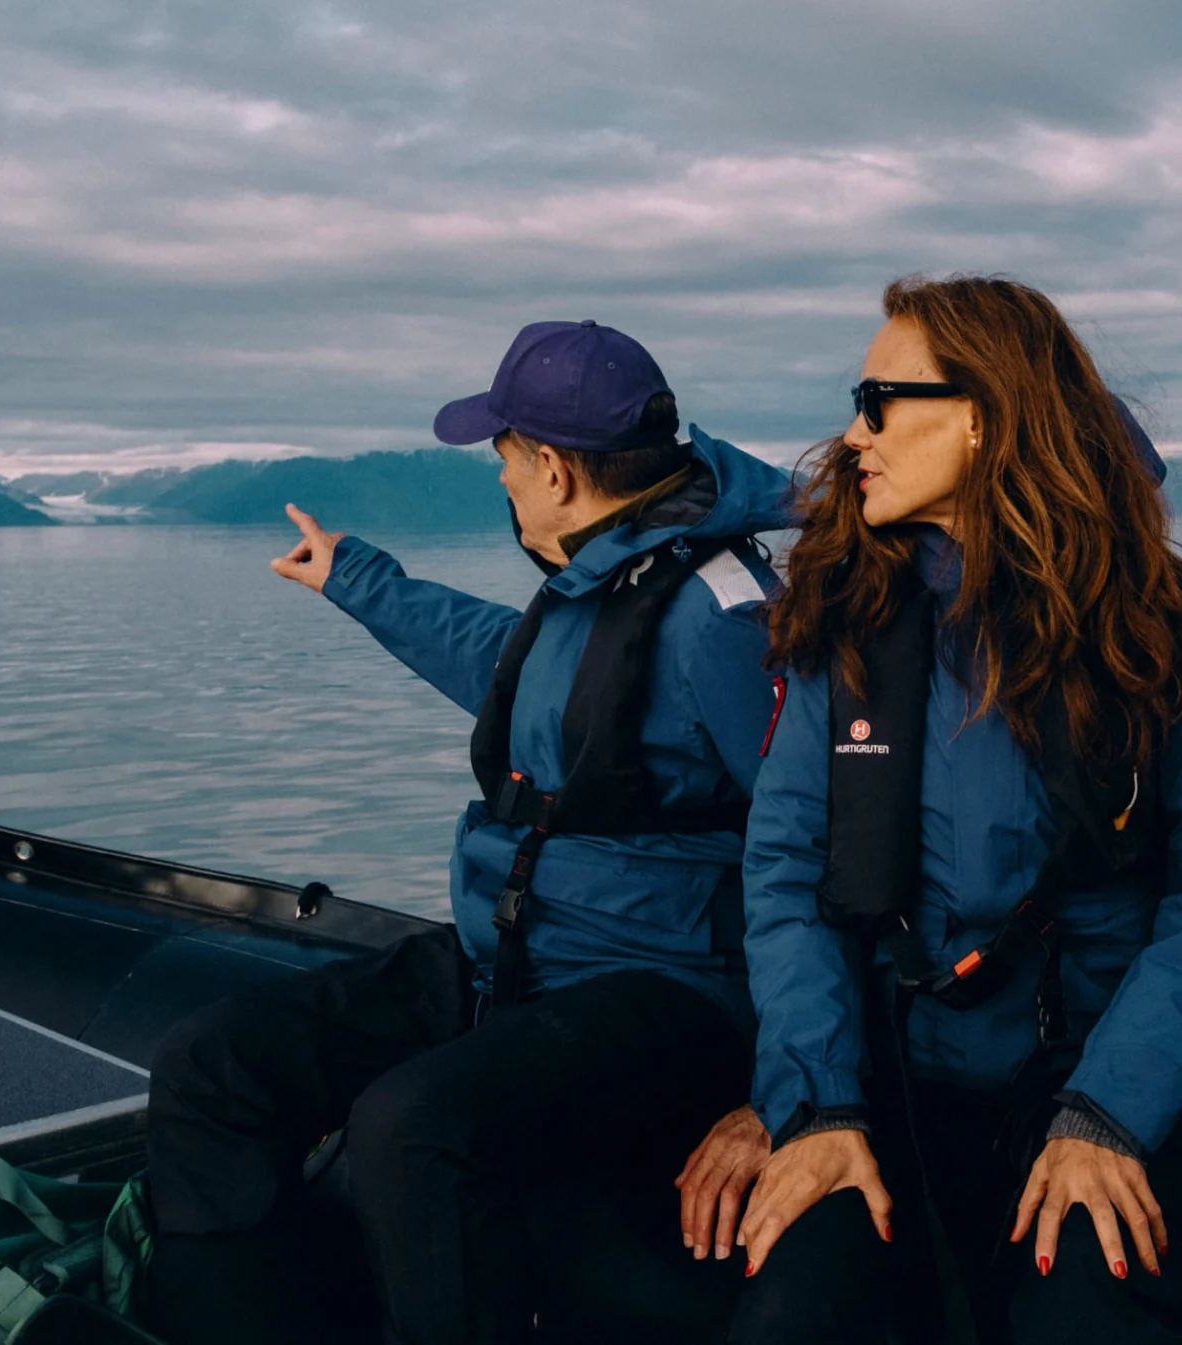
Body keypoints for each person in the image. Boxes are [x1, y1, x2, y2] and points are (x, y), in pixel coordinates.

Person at [139, 319, 795, 1345]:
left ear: (552, 466)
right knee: (216, 1063)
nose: (500, 481)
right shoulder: (599, 574)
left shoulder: (726, 617)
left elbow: (839, 852)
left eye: (502, 458)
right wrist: (355, 577)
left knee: (413, 1128)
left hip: (669, 987)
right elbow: (512, 671)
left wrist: (787, 1095)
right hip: (525, 955)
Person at [699, 275, 1182, 1344]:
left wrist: (1106, 1116)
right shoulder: (849, 612)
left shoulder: (1179, 613)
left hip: (1107, 1069)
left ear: (981, 416)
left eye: (876, 400)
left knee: (1080, 1302)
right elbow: (788, 880)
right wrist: (816, 1103)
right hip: (893, 1072)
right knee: (793, 1309)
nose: (850, 437)